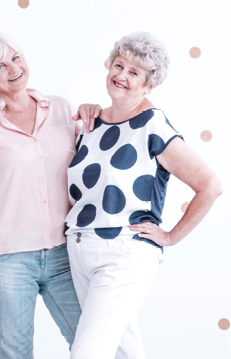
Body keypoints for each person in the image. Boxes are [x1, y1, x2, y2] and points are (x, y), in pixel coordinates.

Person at [65, 32, 222, 359]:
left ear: (150, 86)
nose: (121, 75)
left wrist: (170, 236)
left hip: (124, 251)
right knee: (124, 349)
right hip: (80, 248)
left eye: (134, 73)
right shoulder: (90, 124)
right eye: (118, 65)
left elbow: (211, 185)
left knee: (87, 352)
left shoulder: (153, 124)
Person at [0, 31, 99, 359]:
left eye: (15, 57)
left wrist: (95, 109)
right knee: (16, 353)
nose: (12, 69)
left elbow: (96, 158)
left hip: (66, 252)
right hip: (8, 259)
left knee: (92, 345)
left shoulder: (64, 109)